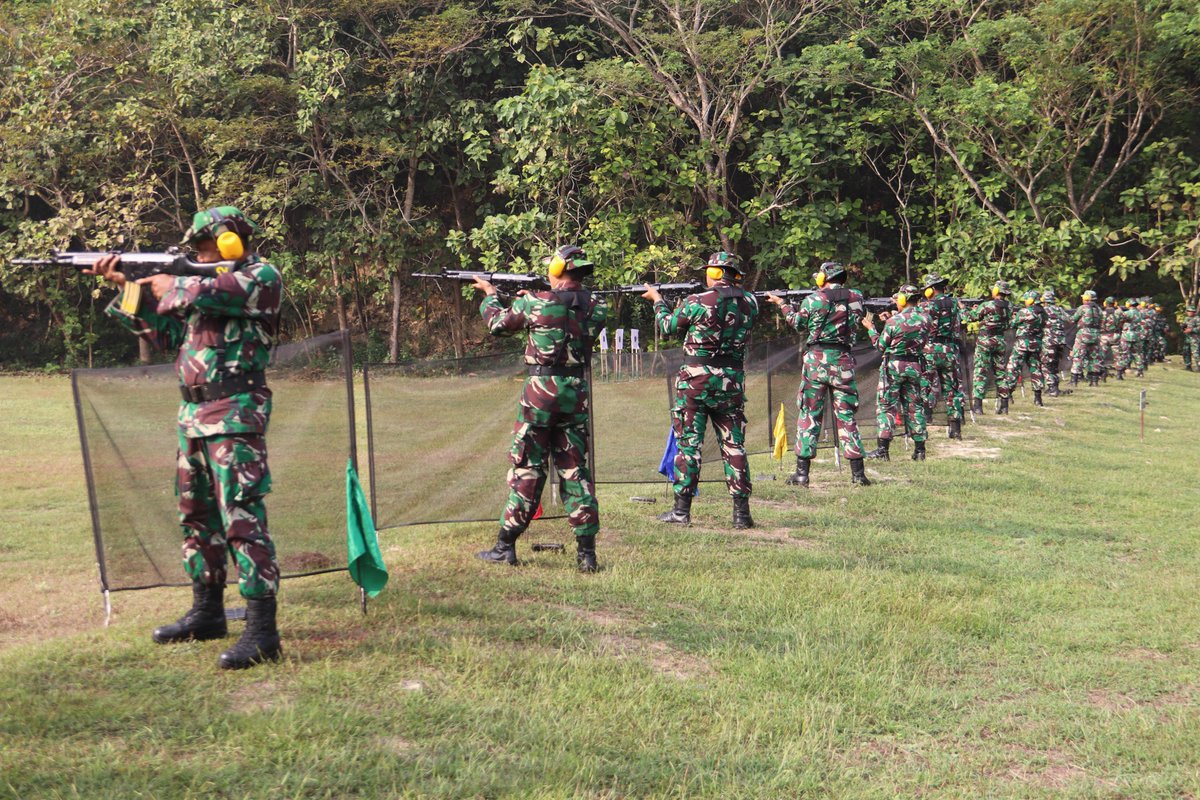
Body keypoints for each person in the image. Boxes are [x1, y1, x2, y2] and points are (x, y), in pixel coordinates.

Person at [87, 206, 283, 670]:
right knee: (196, 515)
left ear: (228, 241)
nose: (196, 254)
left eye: (202, 246)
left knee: (241, 516)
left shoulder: (259, 277)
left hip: (234, 413)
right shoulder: (200, 294)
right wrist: (128, 287)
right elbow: (168, 334)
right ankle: (208, 612)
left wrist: (172, 283)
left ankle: (262, 631)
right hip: (193, 414)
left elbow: (215, 290)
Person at [474, 245, 607, 572]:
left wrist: (491, 294)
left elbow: (497, 324)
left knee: (528, 468)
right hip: (575, 396)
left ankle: (505, 546)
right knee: (575, 471)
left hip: (539, 397)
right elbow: (568, 313)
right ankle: (587, 555)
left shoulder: (535, 301)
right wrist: (536, 298)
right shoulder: (598, 307)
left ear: (561, 268)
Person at [648, 252, 759, 528]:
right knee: (734, 445)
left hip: (696, 382)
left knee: (689, 445)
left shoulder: (696, 301)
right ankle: (741, 515)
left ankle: (681, 512)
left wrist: (658, 302)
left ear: (719, 272)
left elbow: (667, 326)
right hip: (731, 381)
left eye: (710, 269)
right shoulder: (750, 302)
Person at [766, 261, 870, 487]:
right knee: (847, 416)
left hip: (817, 362)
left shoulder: (813, 299)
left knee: (810, 415)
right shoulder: (857, 297)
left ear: (824, 278)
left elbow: (797, 323)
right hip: (843, 361)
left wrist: (783, 304)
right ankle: (858, 474)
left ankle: (802, 474)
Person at [864, 285, 932, 461]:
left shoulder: (894, 322)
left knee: (886, 407)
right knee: (915, 407)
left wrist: (871, 328)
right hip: (915, 366)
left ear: (903, 300)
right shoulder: (926, 319)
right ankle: (919, 451)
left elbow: (880, 345)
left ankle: (883, 451)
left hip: (894, 366)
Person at [917, 272, 965, 439]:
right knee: (952, 390)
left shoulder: (926, 306)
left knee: (922, 386)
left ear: (930, 289)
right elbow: (959, 324)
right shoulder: (954, 303)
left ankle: (921, 426)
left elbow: (917, 324)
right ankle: (955, 429)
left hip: (930, 350)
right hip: (950, 350)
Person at [962, 279, 1012, 414]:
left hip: (986, 341)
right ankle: (1004, 405)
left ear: (996, 291)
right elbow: (1007, 324)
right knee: (1001, 373)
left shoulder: (988, 305)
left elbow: (971, 317)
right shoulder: (1009, 306)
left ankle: (978, 406)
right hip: (1000, 341)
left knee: (980, 372)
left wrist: (963, 308)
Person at [998, 290, 1047, 411]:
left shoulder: (1024, 312)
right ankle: (1038, 398)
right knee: (1036, 369)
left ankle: (1006, 398)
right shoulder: (1043, 312)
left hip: (1022, 344)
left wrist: (1014, 317)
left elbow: (1012, 324)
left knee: (1013, 369)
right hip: (1036, 344)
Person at [1069, 290, 1104, 386]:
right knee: (1094, 358)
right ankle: (1094, 381)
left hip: (1083, 334)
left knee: (1078, 356)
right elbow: (1102, 321)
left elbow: (1072, 319)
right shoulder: (1099, 309)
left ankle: (1074, 380)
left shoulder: (1083, 308)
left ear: (1086, 298)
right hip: (1096, 335)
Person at [1040, 289, 1069, 397]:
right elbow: (1069, 319)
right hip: (1061, 341)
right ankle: (1055, 387)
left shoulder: (1043, 310)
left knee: (1046, 365)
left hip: (1049, 341)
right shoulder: (1059, 309)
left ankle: (1052, 388)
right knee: (1055, 365)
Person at [1116, 298, 1144, 379]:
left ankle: (1120, 372)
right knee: (1138, 354)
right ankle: (1140, 371)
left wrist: (1120, 310)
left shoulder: (1127, 313)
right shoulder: (1140, 313)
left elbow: (1119, 320)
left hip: (1127, 336)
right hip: (1137, 336)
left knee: (1124, 354)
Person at [1099, 296, 1124, 378]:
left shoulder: (1102, 313)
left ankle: (1101, 372)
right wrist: (1118, 307)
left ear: (1105, 303)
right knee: (1117, 355)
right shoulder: (1118, 312)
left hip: (1104, 336)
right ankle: (1119, 374)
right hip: (1115, 335)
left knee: (1101, 355)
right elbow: (1123, 320)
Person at [1182, 306, 1200, 371]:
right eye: (1188, 311)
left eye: (1191, 311)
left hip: (1194, 338)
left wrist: (1192, 330)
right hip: (1187, 338)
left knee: (1195, 353)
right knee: (1186, 351)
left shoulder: (1197, 318)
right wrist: (1183, 328)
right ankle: (1188, 366)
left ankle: (1199, 367)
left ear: (1194, 312)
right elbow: (1184, 326)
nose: (1189, 312)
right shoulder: (1186, 318)